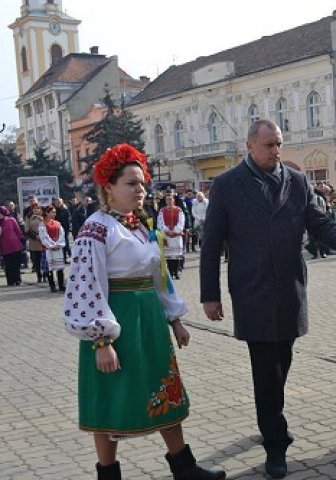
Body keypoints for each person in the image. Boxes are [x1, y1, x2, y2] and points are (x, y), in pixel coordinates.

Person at [200, 119, 336, 479]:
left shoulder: (296, 181)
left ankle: (270, 417)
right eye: (268, 145)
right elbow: (211, 243)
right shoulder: (228, 185)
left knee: (282, 362)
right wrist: (209, 295)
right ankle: (276, 443)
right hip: (252, 290)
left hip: (290, 289)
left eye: (278, 143)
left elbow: (319, 222)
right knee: (266, 371)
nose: (276, 151)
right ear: (250, 145)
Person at [63, 143, 225, 480]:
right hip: (117, 323)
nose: (141, 189)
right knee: (111, 395)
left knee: (165, 387)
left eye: (142, 182)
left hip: (150, 320)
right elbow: (87, 286)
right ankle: (108, 475)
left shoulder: (139, 226)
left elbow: (159, 276)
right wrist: (101, 341)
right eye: (131, 183)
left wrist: (175, 318)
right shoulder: (95, 229)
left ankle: (184, 467)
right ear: (109, 186)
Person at [39, 205, 66, 293]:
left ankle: (61, 285)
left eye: (55, 212)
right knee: (49, 268)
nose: (54, 214)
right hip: (48, 249)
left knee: (59, 268)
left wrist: (58, 244)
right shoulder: (42, 224)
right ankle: (52, 286)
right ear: (47, 213)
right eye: (52, 212)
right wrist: (51, 245)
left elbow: (62, 234)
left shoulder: (57, 223)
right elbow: (44, 237)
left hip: (57, 248)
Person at [158, 193, 185, 280]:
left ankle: (176, 272)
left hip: (176, 236)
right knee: (168, 255)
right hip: (167, 236)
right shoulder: (162, 210)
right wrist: (167, 230)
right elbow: (160, 222)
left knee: (176, 255)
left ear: (173, 200)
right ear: (165, 201)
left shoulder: (179, 210)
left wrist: (175, 230)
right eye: (167, 199)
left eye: (170, 199)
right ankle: (170, 272)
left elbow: (181, 222)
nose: (169, 201)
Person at [0, 205, 24, 286]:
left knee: (16, 265)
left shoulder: (11, 220)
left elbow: (18, 232)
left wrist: (22, 241)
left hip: (15, 245)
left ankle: (17, 280)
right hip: (5, 247)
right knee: (8, 266)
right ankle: (10, 281)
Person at [25, 205, 45, 282]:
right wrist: (36, 236)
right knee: (36, 260)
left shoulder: (44, 216)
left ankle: (46, 275)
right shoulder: (29, 217)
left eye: (37, 208)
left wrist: (43, 236)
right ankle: (39, 276)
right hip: (34, 241)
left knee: (44, 259)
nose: (36, 210)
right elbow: (27, 229)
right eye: (34, 209)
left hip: (44, 241)